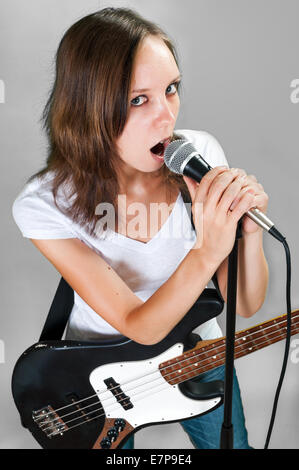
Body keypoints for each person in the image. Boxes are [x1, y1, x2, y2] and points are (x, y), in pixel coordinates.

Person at [12, 8, 269, 449]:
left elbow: (243, 303)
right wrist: (207, 251)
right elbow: (140, 326)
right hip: (98, 372)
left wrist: (248, 231)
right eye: (138, 99)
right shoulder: (43, 204)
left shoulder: (199, 152)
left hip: (195, 352)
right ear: (89, 109)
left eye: (171, 89)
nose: (166, 117)